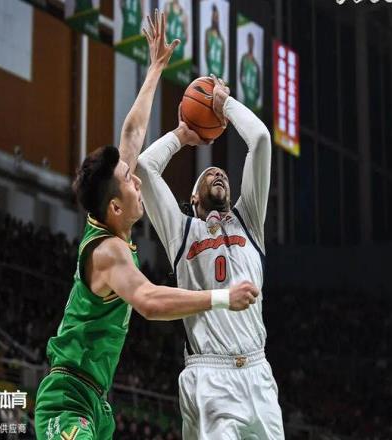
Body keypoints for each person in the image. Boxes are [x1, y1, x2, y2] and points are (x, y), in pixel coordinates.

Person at [35, 12, 259, 440]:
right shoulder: (109, 251)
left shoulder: (108, 216)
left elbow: (133, 132)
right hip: (66, 401)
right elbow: (149, 301)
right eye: (130, 181)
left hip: (94, 400)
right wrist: (222, 298)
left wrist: (156, 71)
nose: (137, 180)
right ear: (115, 205)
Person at [136, 75, 285, 439]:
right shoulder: (182, 231)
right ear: (194, 198)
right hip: (209, 374)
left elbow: (260, 139)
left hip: (259, 371)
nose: (218, 173)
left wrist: (224, 106)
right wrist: (181, 135)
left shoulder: (249, 220)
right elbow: (144, 167)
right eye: (209, 174)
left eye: (222, 174)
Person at [240, 32, 261, 111]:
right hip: (246, 97)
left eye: (251, 41)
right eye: (249, 41)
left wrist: (255, 97)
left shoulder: (256, 64)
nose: (250, 43)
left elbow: (258, 84)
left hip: (253, 100)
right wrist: (245, 90)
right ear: (247, 42)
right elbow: (240, 76)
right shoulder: (244, 58)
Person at [205, 4, 225, 79]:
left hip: (219, 74)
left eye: (216, 17)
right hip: (210, 72)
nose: (215, 19)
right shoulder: (208, 32)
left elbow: (223, 59)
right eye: (213, 16)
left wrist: (221, 76)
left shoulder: (221, 39)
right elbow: (206, 51)